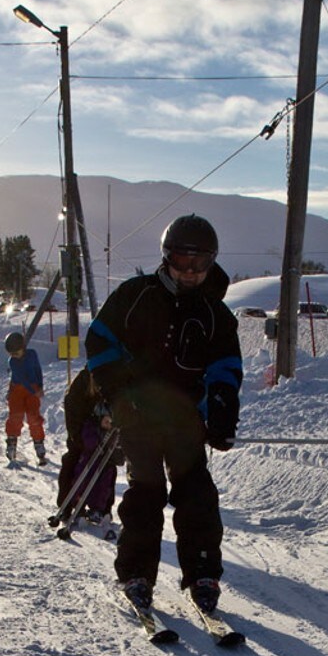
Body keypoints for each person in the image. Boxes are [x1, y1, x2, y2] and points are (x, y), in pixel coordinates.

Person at [84, 213, 241, 615]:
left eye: (200, 264)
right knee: (146, 493)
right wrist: (118, 394)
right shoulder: (137, 295)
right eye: (181, 262)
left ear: (211, 262)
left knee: (197, 494)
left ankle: (203, 574)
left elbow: (225, 368)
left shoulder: (215, 314)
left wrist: (221, 412)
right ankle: (137, 572)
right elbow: (100, 341)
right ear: (166, 257)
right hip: (138, 415)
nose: (190, 273)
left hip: (185, 419)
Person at [56, 366, 118, 525]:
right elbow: (73, 416)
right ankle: (67, 505)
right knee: (73, 460)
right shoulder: (79, 388)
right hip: (82, 434)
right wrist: (80, 440)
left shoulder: (115, 381)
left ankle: (102, 508)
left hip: (106, 436)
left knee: (108, 465)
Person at [3, 331, 47, 464]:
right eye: (12, 354)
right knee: (15, 416)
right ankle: (12, 441)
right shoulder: (13, 362)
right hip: (18, 389)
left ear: (23, 348)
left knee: (34, 417)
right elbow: (22, 379)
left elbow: (38, 370)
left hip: (32, 388)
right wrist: (34, 391)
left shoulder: (32, 354)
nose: (14, 356)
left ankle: (38, 442)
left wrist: (40, 386)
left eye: (16, 353)